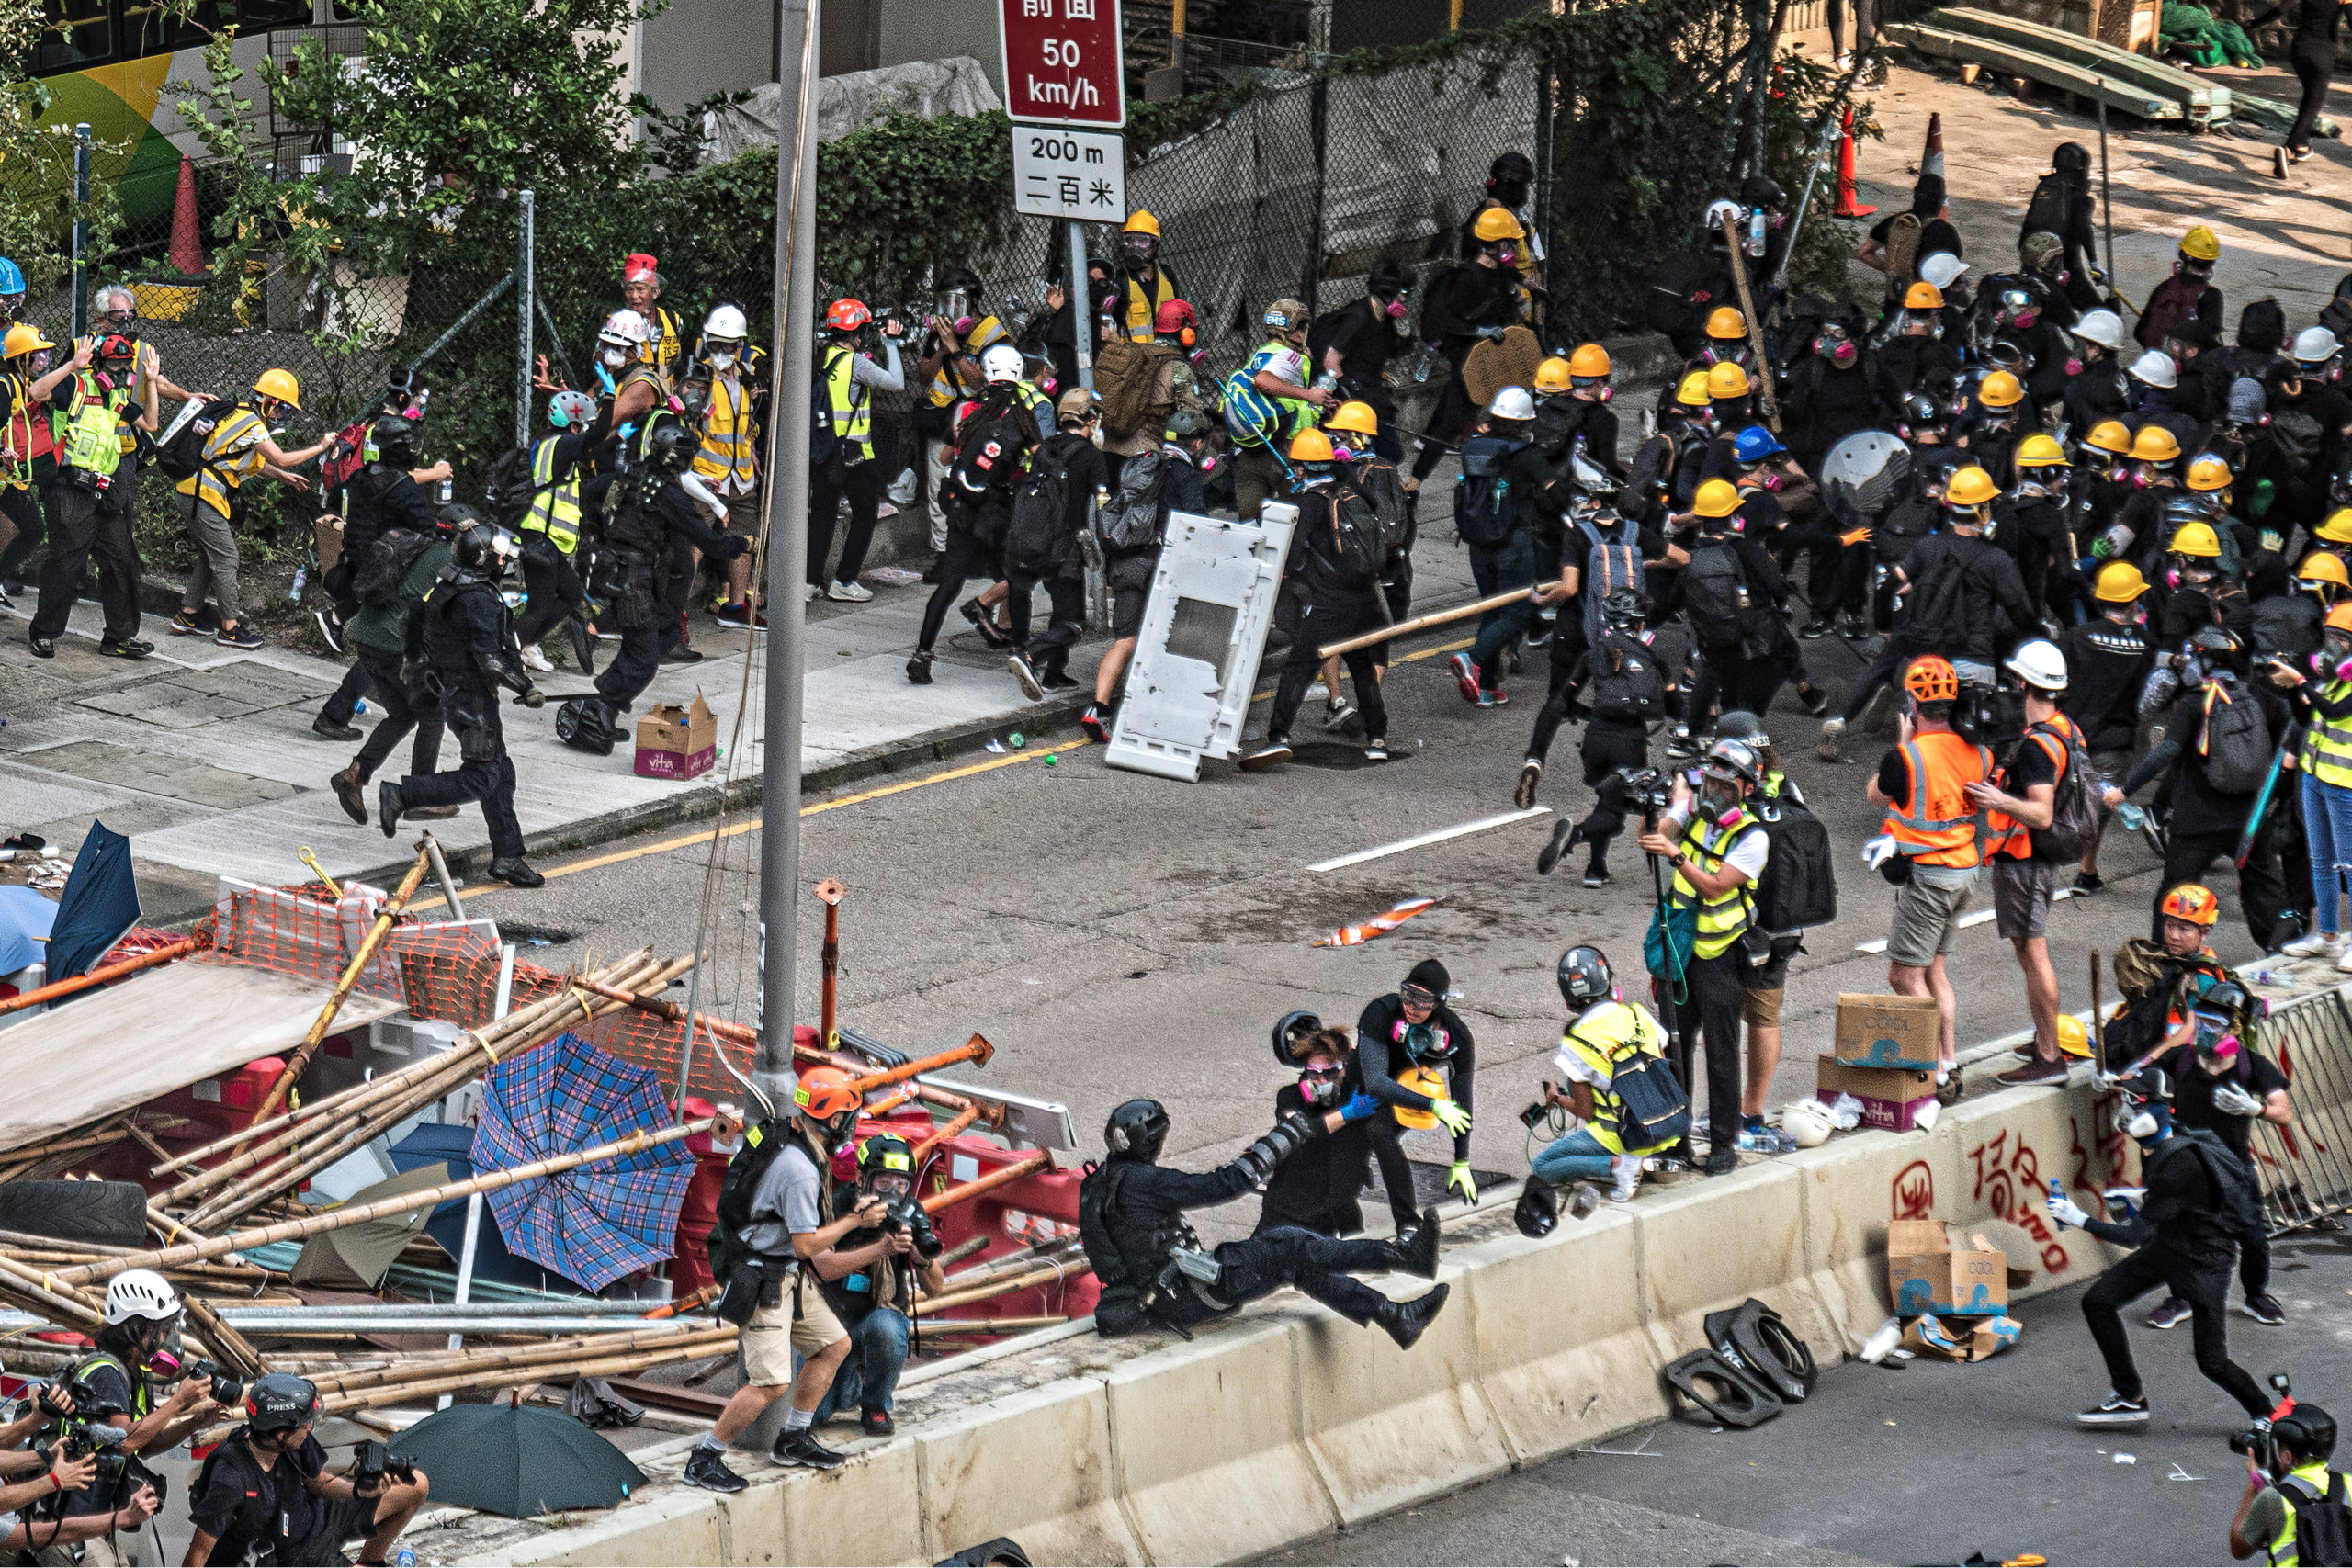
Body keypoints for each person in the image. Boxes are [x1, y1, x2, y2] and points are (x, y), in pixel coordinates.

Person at [1080, 1098, 1450, 1347]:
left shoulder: (1097, 1182)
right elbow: (1227, 1184)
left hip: (1162, 1294)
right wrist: (1285, 1137)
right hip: (1186, 1295)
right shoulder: (1144, 1183)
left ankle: (1395, 1317)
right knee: (1288, 1243)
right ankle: (1402, 1256)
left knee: (1297, 1264)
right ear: (1152, 1142)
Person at [689, 1069, 889, 1491]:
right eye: (849, 1116)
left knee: (834, 1344)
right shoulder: (799, 1168)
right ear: (834, 1122)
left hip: (788, 1275)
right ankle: (705, 1457)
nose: (852, 1125)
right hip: (766, 1277)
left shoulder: (791, 1134)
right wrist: (857, 1220)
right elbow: (805, 1245)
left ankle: (793, 1437)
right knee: (771, 1382)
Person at [2048, 1066, 2274, 1427]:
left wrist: (2078, 1218)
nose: (2125, 1109)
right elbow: (2186, 1197)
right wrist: (2142, 1196)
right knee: (2098, 1302)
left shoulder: (2176, 1162)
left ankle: (2266, 1414)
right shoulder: (2167, 1143)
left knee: (2211, 1360)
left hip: (2204, 1263)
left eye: (2134, 1102)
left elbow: (2132, 1237)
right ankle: (2129, 1397)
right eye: (2125, 1099)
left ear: (2158, 1110)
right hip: (2171, 1246)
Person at [558, 416, 747, 750]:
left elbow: (588, 492)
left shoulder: (630, 473)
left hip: (615, 569)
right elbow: (712, 543)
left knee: (664, 635)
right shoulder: (670, 495)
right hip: (632, 579)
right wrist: (743, 544)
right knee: (644, 659)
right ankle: (596, 711)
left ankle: (604, 707)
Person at [379, 517, 544, 888]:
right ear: (486, 560)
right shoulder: (478, 600)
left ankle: (507, 857)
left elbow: (414, 622)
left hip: (454, 689)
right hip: (470, 696)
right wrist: (526, 687)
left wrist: (416, 661)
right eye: (499, 558)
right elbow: (490, 658)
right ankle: (402, 794)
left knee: (501, 771)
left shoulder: (447, 585)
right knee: (484, 774)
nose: (504, 564)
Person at [1637, 738, 1770, 1174]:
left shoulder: (1753, 836)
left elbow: (1716, 885)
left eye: (1726, 786)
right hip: (1681, 949)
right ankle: (1675, 1140)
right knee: (1673, 1045)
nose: (1714, 791)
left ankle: (1723, 1144)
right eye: (1710, 781)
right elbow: (1653, 839)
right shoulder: (1692, 809)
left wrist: (1674, 855)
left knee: (1721, 1052)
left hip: (1720, 956)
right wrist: (1651, 812)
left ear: (1747, 790)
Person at [1865, 655, 1993, 1100]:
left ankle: (1926, 1070)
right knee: (1935, 971)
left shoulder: (1907, 756)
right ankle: (1946, 1064)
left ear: (1913, 704)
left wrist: (1904, 741)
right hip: (1965, 873)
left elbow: (1877, 792)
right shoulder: (1980, 751)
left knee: (1903, 977)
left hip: (1929, 879)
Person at [1968, 640, 2087, 1086]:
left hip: (2025, 859)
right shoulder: (2065, 728)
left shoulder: (2038, 746)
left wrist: (1996, 798)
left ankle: (2049, 1056)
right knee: (2029, 950)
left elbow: (2041, 813)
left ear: (2022, 683)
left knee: (2032, 952)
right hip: (2036, 859)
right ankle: (2044, 1039)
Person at [1243, 429, 1393, 769]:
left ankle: (1278, 736)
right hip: (1365, 597)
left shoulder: (1309, 504)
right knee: (1362, 670)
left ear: (1300, 469)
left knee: (1298, 668)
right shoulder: (1349, 491)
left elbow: (1292, 556)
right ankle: (1377, 739)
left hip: (1330, 601)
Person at [2146, 980, 2291, 1330]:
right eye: (2203, 1019)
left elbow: (2283, 1112)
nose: (2207, 1030)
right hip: (2187, 1166)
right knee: (2177, 1235)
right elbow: (2140, 1082)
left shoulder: (2252, 1067)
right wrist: (2114, 1081)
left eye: (2217, 1023)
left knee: (2252, 1236)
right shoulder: (2179, 1060)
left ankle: (2256, 1295)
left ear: (2236, 1028)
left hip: (2233, 1167)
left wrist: (2253, 1108)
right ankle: (2180, 1299)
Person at [182, 1372, 429, 1566]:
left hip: (317, 1517)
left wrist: (360, 1492)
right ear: (281, 1434)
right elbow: (198, 1555)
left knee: (416, 1485)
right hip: (292, 1558)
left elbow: (317, 1480)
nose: (310, 1428)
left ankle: (369, 1561)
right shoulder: (231, 1480)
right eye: (306, 1424)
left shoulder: (293, 1439)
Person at [910, 345, 1041, 686]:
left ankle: (922, 654)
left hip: (963, 508)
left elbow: (947, 456)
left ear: (985, 373)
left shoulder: (966, 408)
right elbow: (1035, 462)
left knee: (949, 583)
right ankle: (1021, 652)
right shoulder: (1025, 414)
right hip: (999, 509)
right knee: (1016, 578)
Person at [172, 368, 332, 649]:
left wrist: (283, 477)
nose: (282, 417)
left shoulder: (240, 414)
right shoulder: (252, 424)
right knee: (227, 559)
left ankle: (187, 616)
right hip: (203, 495)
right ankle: (230, 630)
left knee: (209, 556)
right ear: (268, 401)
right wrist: (320, 447)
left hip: (192, 491)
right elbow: (281, 458)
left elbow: (246, 460)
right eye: (282, 409)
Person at [1527, 588, 1669, 887]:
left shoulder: (1592, 655)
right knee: (1614, 814)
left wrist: (1593, 715)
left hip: (1594, 741)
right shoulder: (1651, 658)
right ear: (1639, 623)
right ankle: (1573, 836)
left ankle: (1596, 869)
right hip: (1629, 743)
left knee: (1606, 800)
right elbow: (1673, 706)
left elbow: (1562, 701)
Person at [808, 1134, 946, 1438]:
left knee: (889, 1327)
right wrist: (880, 1248)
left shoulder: (911, 1213)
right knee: (811, 1416)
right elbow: (821, 1268)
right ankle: (846, 1386)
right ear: (861, 1179)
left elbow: (936, 1289)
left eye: (901, 1184)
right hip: (825, 1326)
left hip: (872, 1320)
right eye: (884, 1183)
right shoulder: (836, 1207)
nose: (893, 1193)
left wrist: (921, 1258)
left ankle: (875, 1404)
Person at [329, 503, 457, 831]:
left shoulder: (421, 547)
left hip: (367, 637)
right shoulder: (447, 561)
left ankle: (355, 774)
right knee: (433, 714)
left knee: (403, 714)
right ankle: (421, 797)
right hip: (392, 643)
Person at [31, 333, 154, 660]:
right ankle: (44, 633)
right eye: (114, 363)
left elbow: (152, 423)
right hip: (69, 488)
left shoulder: (117, 395)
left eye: (125, 365)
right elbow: (36, 392)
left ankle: (119, 637)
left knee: (124, 563)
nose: (119, 371)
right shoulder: (75, 385)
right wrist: (72, 365)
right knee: (66, 565)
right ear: (99, 363)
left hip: (105, 491)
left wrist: (152, 382)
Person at [1532, 945, 1681, 1204]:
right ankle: (1634, 1161)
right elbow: (1657, 1066)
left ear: (1568, 997)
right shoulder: (1637, 1014)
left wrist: (1556, 1097)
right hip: (1666, 1125)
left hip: (1623, 1136)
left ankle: (1617, 1166)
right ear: (1606, 980)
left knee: (1543, 1166)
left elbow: (1585, 1111)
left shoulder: (1576, 1042)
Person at [1340, 959, 1476, 1238]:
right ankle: (1343, 1235)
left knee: (1379, 1131)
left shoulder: (1457, 1036)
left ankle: (1408, 1224)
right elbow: (1376, 1084)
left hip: (1403, 1093)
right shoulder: (1380, 1013)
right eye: (1408, 995)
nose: (1412, 1007)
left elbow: (1462, 1101)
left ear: (1439, 1004)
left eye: (1423, 1000)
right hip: (1360, 1088)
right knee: (1340, 1167)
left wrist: (1461, 1160)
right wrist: (1434, 1105)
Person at [1409, 210, 1529, 491]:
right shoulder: (1466, 278)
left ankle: (1420, 477)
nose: (1512, 248)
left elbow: (1505, 311)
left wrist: (1516, 306)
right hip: (1468, 359)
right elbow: (1448, 321)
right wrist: (1480, 331)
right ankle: (1415, 480)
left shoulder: (1500, 275)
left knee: (1465, 416)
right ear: (1497, 243)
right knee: (1452, 420)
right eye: (1509, 242)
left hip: (1493, 357)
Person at [1004, 388, 1106, 700]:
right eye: (1096, 418)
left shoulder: (1045, 448)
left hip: (1035, 542)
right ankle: (1031, 656)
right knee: (1073, 620)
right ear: (1089, 419)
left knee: (1061, 611)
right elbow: (1104, 502)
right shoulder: (1091, 455)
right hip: (1066, 548)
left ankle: (1054, 673)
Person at [2063, 561, 2158, 894]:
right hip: (2114, 742)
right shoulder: (2147, 644)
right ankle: (2086, 873)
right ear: (2133, 601)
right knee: (2099, 807)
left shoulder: (2075, 638)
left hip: (2070, 736)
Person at [810, 299, 905, 603]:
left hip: (824, 450)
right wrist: (890, 344)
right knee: (866, 513)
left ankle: (809, 583)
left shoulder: (822, 358)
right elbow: (897, 384)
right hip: (855, 453)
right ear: (857, 333)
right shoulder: (857, 363)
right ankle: (844, 580)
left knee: (823, 515)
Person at [1259, 1021, 1384, 1237]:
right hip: (1286, 1209)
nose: (1321, 1081)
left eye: (1331, 1073)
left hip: (1339, 1211)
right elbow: (1304, 1131)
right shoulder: (1291, 1098)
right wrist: (1348, 1114)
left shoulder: (1358, 1095)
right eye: (1313, 1074)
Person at [510, 388, 601, 672]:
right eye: (584, 426)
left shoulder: (553, 444)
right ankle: (505, 655)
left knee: (573, 596)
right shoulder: (560, 446)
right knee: (540, 603)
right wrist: (610, 403)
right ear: (573, 426)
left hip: (549, 540)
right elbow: (594, 441)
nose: (586, 433)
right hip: (538, 536)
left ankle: (527, 645)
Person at [2283, 602, 2352, 964]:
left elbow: (2336, 711)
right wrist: (2292, 690)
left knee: (2350, 864)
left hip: (2346, 785)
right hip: (2316, 776)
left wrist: (2303, 682)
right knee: (2320, 859)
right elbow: (2307, 715)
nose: (2334, 644)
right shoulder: (2333, 679)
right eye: (2333, 636)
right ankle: (2327, 934)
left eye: (2343, 638)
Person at [691, 303, 765, 626]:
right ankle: (674, 616)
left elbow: (747, 423)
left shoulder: (746, 379)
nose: (721, 351)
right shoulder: (697, 378)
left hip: (740, 477)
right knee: (692, 542)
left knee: (743, 540)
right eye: (715, 344)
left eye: (728, 345)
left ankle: (736, 608)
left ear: (739, 346)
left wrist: (751, 449)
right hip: (706, 479)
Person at [1225, 299, 1326, 521]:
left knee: (1250, 525)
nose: (1303, 332)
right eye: (1301, 327)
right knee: (1290, 524)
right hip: (1283, 451)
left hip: (1249, 452)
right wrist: (1309, 395)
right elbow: (1263, 381)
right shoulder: (1290, 356)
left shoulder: (1261, 353)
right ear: (1295, 333)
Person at [2227, 1401, 2343, 1562]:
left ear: (2287, 1456)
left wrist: (2253, 1485)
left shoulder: (2273, 1499)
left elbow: (2239, 1548)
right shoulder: (2348, 1484)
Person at [0, 322, 63, 607]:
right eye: (36, 354)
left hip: (12, 476)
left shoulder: (31, 387)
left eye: (45, 355)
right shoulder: (4, 387)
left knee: (34, 530)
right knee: (34, 529)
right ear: (18, 358)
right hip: (3, 474)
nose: (43, 360)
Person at [2137, 226, 2225, 351]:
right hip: (2198, 365)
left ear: (2183, 257)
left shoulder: (2164, 288)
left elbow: (2141, 332)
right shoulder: (2211, 295)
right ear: (2210, 264)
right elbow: (2211, 335)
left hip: (2161, 361)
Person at [1112, 211, 1182, 344]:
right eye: (1130, 241)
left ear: (1155, 245)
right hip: (1136, 357)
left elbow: (1180, 312)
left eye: (1143, 241)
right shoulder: (1121, 280)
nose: (1135, 247)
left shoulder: (1167, 275)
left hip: (1166, 353)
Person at [619, 252, 685, 379]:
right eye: (629, 289)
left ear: (654, 292)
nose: (634, 296)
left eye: (640, 289)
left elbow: (677, 361)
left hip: (667, 393)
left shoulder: (674, 321)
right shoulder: (615, 323)